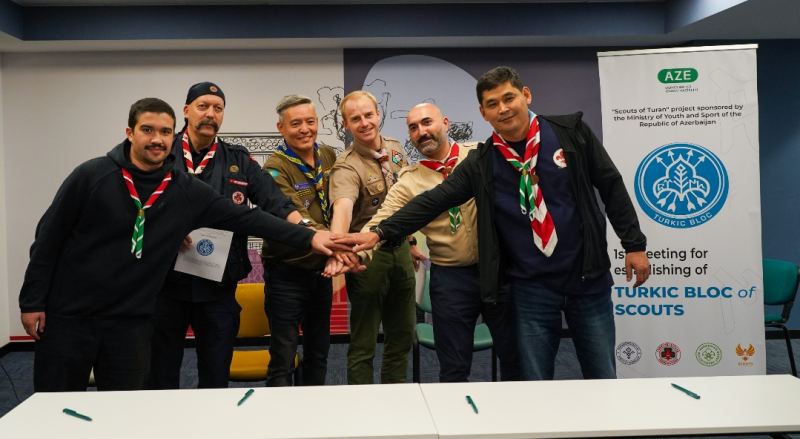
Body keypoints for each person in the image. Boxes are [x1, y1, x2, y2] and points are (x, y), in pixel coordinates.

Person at [336, 66, 651, 381]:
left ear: (526, 95)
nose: (503, 109)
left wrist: (634, 244)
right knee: (533, 379)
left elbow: (610, 184)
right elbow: (434, 200)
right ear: (483, 113)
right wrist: (379, 233)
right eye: (492, 104)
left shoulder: (570, 133)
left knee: (600, 373)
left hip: (585, 278)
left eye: (508, 98)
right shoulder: (483, 161)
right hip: (530, 285)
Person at [19, 97, 343, 392]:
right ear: (130, 132)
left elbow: (249, 218)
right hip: (72, 315)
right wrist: (32, 302)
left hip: (132, 320)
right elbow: (48, 240)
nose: (157, 139)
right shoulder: (91, 176)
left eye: (164, 131)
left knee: (125, 410)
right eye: (148, 130)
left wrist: (311, 237)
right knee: (57, 405)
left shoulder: (184, 189)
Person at [148, 82, 306, 390]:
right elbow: (137, 207)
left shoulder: (237, 159)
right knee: (160, 374)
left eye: (217, 108)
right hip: (166, 285)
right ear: (186, 111)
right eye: (203, 106)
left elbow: (274, 201)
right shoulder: (162, 153)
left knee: (216, 375)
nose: (210, 114)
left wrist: (306, 230)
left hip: (218, 288)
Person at [361, 103, 520, 382]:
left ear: (445, 123)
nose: (421, 132)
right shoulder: (409, 181)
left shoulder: (480, 155)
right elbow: (381, 221)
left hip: (498, 271)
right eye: (413, 128)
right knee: (453, 368)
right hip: (451, 279)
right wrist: (356, 251)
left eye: (427, 122)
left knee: (515, 357)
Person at [327, 90, 421, 384]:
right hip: (368, 258)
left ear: (378, 114)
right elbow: (342, 209)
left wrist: (412, 242)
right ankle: (362, 405)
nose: (364, 123)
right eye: (355, 119)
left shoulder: (395, 149)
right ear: (346, 124)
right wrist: (339, 247)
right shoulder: (346, 166)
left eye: (369, 115)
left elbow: (404, 201)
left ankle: (395, 397)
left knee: (402, 335)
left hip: (401, 249)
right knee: (364, 342)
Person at [261, 95, 337, 386]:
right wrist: (337, 245)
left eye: (310, 121)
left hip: (321, 271)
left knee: (319, 352)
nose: (305, 129)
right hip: (287, 274)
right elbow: (295, 214)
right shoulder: (274, 168)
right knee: (283, 355)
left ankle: (314, 411)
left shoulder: (328, 156)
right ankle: (280, 413)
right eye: (296, 124)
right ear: (281, 128)